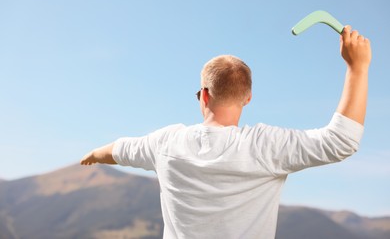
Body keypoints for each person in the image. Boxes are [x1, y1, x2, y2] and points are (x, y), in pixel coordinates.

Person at [80, 25, 371, 238]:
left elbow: (118, 150)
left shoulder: (166, 143)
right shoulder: (264, 146)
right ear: (247, 98)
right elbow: (341, 141)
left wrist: (93, 154)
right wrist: (357, 68)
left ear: (204, 95)